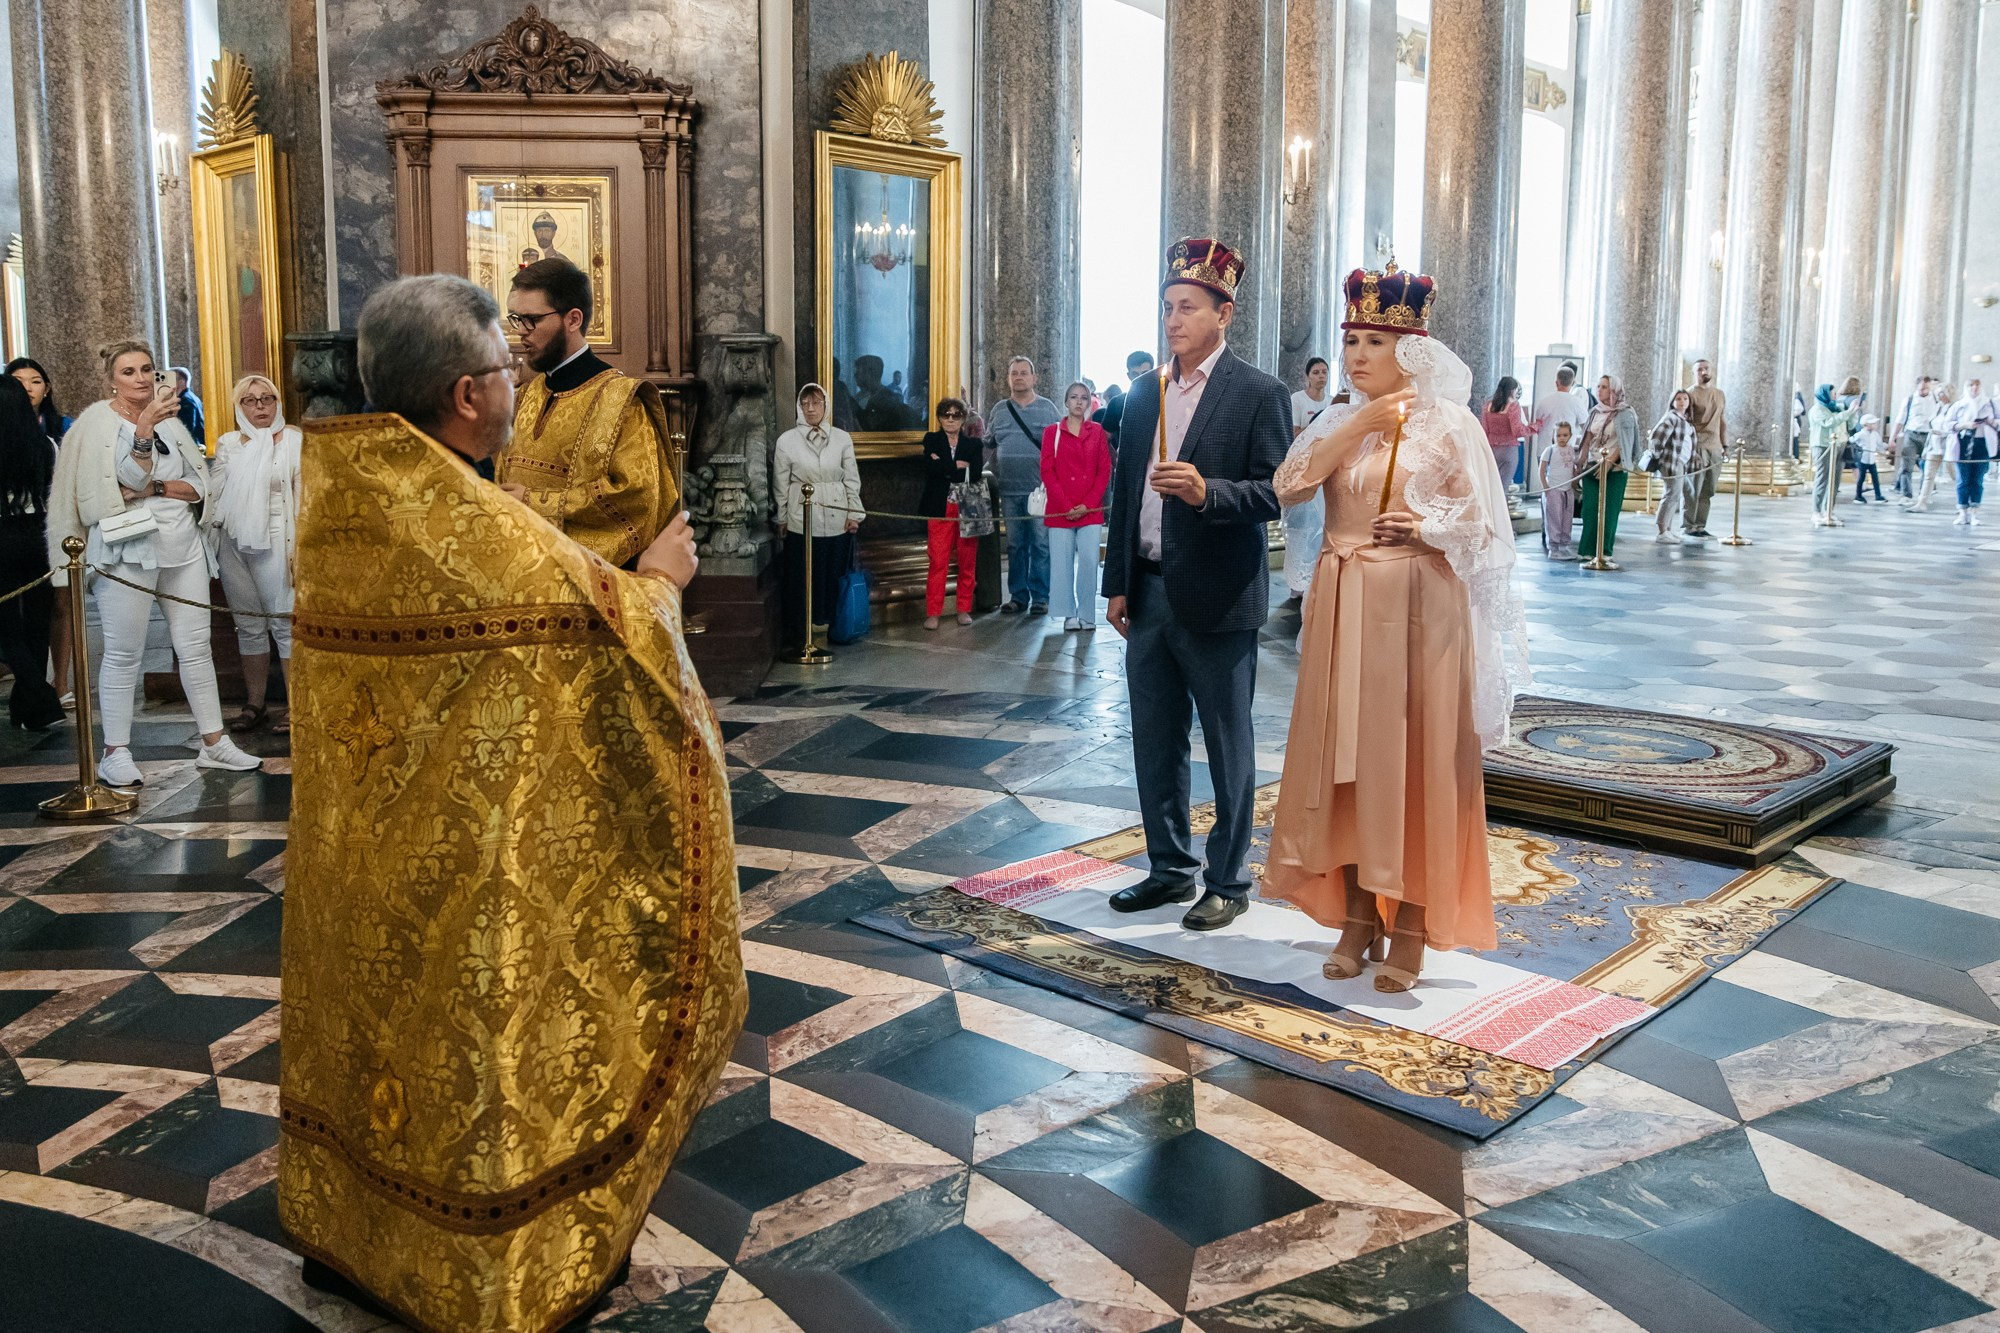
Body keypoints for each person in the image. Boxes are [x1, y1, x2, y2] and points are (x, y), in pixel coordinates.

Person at [279, 274, 743, 1333]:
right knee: (470, 1039)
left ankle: (354, 1239)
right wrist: (664, 584)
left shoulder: (348, 493)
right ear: (466, 394)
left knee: (379, 1036)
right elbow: (606, 626)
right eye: (502, 368)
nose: (515, 383)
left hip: (363, 853)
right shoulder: (475, 529)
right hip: (460, 867)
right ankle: (489, 1269)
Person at [1265, 263, 1527, 991]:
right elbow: (1288, 486)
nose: (1356, 356)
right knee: (1342, 758)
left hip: (1420, 611)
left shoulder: (1451, 424)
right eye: (1351, 340)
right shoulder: (1341, 417)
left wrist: (1425, 523)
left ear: (1410, 349)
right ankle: (1357, 913)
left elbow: (1485, 529)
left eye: (1374, 341)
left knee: (1410, 759)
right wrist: (1360, 424)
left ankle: (1409, 918)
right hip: (1345, 604)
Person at [1101, 237, 1287, 933]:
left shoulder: (1258, 392)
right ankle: (1169, 868)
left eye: (1186, 307)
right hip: (1147, 594)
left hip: (1219, 594)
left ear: (1223, 313)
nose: (1173, 320)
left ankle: (1229, 878)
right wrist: (1118, 581)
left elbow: (1276, 492)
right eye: (1167, 307)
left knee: (1227, 742)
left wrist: (1210, 493)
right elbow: (1126, 490)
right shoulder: (1145, 393)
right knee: (1154, 738)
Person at [43, 341, 261, 786]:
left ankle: (214, 743)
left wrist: (157, 490)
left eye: (146, 369)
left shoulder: (174, 424)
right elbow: (126, 479)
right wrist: (144, 430)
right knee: (124, 653)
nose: (141, 378)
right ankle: (115, 752)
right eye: (128, 372)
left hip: (182, 547)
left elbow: (197, 485)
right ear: (110, 380)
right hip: (127, 550)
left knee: (196, 647)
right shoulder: (94, 426)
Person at [499, 258, 675, 567]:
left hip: (589, 582)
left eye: (531, 320)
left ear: (572, 319)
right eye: (516, 319)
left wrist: (534, 502)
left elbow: (638, 500)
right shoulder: (527, 395)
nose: (521, 333)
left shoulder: (622, 402)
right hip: (521, 571)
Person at [206, 375, 300, 733]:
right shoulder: (230, 442)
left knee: (284, 624)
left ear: (277, 402)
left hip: (278, 537)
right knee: (248, 625)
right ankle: (254, 703)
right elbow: (218, 492)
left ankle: (296, 707)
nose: (260, 407)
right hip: (234, 541)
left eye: (267, 399)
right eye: (250, 400)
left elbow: (303, 494)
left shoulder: (293, 440)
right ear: (238, 406)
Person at [773, 383, 862, 649]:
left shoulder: (842, 438)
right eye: (806, 403)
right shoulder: (786, 440)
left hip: (836, 515)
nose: (811, 409)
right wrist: (782, 517)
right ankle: (802, 630)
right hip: (801, 515)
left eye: (816, 403)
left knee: (833, 572)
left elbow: (851, 479)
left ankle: (834, 626)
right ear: (799, 406)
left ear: (826, 405)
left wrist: (854, 513)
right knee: (802, 573)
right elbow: (780, 482)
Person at [7, 356, 72, 706]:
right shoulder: (39, 442)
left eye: (35, 380)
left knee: (30, 615)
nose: (27, 389)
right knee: (26, 617)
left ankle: (46, 689)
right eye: (19, 382)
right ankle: (31, 698)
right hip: (28, 531)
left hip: (30, 530)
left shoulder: (55, 435)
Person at [0, 379, 62, 729]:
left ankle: (40, 697)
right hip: (39, 534)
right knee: (37, 622)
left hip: (2, 534)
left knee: (7, 626)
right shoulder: (46, 445)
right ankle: (30, 708)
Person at [987, 357, 1059, 615]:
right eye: (1014, 373)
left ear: (1033, 378)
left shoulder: (1048, 409)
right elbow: (989, 443)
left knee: (1040, 544)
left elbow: (1059, 447)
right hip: (1009, 489)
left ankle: (1040, 597)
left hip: (1039, 490)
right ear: (1008, 379)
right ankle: (1018, 596)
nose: (1018, 377)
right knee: (1016, 545)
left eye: (1023, 373)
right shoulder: (999, 410)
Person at [1041, 381, 1112, 632]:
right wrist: (1066, 504)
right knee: (1061, 563)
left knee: (1090, 561)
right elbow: (1047, 470)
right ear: (1066, 401)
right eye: (1074, 397)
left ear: (1089, 402)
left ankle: (1087, 613)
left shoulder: (1097, 431)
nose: (1079, 402)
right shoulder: (1052, 432)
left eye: (1083, 397)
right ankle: (1068, 613)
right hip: (1061, 508)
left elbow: (1104, 471)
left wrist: (1089, 504)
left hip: (1090, 509)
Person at [919, 396, 982, 629]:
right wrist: (955, 465)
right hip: (939, 506)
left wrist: (943, 464)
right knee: (938, 560)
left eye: (956, 415)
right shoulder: (931, 439)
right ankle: (933, 612)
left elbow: (974, 473)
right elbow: (929, 468)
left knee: (967, 560)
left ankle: (963, 609)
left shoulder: (974, 444)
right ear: (939, 418)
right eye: (946, 415)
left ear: (963, 418)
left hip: (967, 507)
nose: (951, 419)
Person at [1577, 374, 1637, 560]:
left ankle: (1604, 551)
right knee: (1590, 509)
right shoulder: (1595, 412)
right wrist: (1580, 462)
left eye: (1604, 387)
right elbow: (1587, 438)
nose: (1599, 390)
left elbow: (1625, 442)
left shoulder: (1625, 413)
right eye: (1598, 386)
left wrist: (1609, 462)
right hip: (1592, 465)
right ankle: (1586, 550)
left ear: (1614, 390)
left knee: (1609, 511)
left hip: (1615, 468)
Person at [1683, 358, 1727, 538]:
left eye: (1706, 368)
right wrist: (1690, 449)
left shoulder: (1719, 393)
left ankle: (1700, 524)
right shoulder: (1689, 394)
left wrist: (1725, 445)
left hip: (1715, 446)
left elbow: (1722, 420)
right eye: (1700, 369)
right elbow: (1686, 423)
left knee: (1709, 488)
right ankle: (1688, 524)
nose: (1704, 372)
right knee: (1693, 487)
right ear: (1694, 373)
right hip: (1697, 445)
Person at [1806, 383, 1860, 525]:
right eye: (1833, 393)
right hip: (1823, 446)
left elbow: (1850, 424)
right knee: (1823, 478)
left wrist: (1853, 412)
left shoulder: (1838, 408)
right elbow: (1829, 422)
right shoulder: (1817, 409)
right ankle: (1816, 511)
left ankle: (1828, 510)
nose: (1835, 396)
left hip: (1840, 444)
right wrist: (1847, 413)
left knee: (1835, 480)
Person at [1647, 389, 1697, 542]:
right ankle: (1662, 530)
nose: (1682, 402)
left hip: (1680, 462)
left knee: (1673, 495)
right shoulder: (1671, 418)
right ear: (1673, 402)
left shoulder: (1684, 420)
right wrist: (1659, 455)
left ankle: (1667, 528)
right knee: (1671, 494)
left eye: (1685, 399)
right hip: (1671, 462)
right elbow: (1656, 438)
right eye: (1679, 399)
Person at [1945, 378, 1994, 526]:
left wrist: (1989, 422)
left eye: (1977, 385)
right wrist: (1965, 424)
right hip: (1963, 442)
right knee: (1963, 479)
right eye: (1971, 385)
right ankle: (1962, 511)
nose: (1974, 388)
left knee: (1977, 479)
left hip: (1982, 443)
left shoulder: (1989, 404)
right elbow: (1948, 424)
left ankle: (1974, 512)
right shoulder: (1959, 405)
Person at [1095, 349, 1157, 450]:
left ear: (1153, 373)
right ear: (1129, 376)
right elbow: (1104, 439)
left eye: (1145, 373)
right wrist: (1115, 460)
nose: (1140, 378)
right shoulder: (1117, 403)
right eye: (1135, 374)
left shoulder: (1164, 399)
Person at [1890, 374, 1939, 500]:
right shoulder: (1909, 400)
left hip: (1928, 435)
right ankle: (1906, 493)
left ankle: (1924, 493)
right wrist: (1892, 438)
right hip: (1911, 433)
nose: (1924, 391)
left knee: (1926, 466)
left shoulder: (1935, 399)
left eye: (1926, 388)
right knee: (1907, 465)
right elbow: (1900, 419)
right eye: (1922, 388)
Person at [1907, 382, 1954, 513]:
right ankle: (1922, 502)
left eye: (1941, 393)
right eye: (1937, 393)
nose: (1938, 396)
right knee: (1928, 475)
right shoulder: (1937, 407)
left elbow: (1954, 427)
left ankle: (1963, 502)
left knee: (1955, 475)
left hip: (1948, 445)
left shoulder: (1953, 408)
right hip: (1934, 445)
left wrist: (1943, 433)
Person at [1539, 420, 1581, 560]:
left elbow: (1572, 468)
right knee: (1554, 519)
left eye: (1565, 435)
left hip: (1567, 490)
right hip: (1554, 490)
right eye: (1559, 435)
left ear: (1570, 435)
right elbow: (1542, 470)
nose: (1562, 438)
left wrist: (1575, 483)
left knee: (1566, 519)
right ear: (1554, 436)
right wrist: (1546, 488)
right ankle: (1554, 547)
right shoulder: (1549, 450)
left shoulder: (1570, 450)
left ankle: (1564, 545)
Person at [1481, 375, 1529, 492]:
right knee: (1503, 488)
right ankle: (1501, 510)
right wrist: (1531, 428)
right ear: (1512, 390)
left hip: (1492, 449)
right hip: (1509, 449)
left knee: (1490, 486)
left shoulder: (1488, 406)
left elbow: (1484, 430)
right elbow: (1516, 430)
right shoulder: (1513, 406)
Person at [7, 356, 71, 440]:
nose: (27, 388)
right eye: (18, 382)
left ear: (46, 389)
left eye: (35, 382)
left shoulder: (66, 427)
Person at [1292, 356, 1332, 438]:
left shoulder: (1332, 401)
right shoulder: (1297, 399)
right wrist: (1317, 422)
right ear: (1307, 376)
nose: (1321, 376)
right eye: (1316, 372)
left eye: (1324, 372)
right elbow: (1294, 434)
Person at [1852, 414, 1887, 502]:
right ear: (1866, 425)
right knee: (1861, 478)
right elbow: (1852, 440)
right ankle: (1858, 495)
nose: (1875, 425)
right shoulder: (1860, 434)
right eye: (1873, 423)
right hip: (1863, 459)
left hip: (1871, 460)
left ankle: (1878, 495)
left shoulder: (1875, 434)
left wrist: (1886, 448)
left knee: (1875, 478)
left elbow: (1879, 445)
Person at [171, 366, 205, 447]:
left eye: (172, 379)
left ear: (182, 381)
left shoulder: (186, 400)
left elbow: (187, 427)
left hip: (191, 445)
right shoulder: (191, 396)